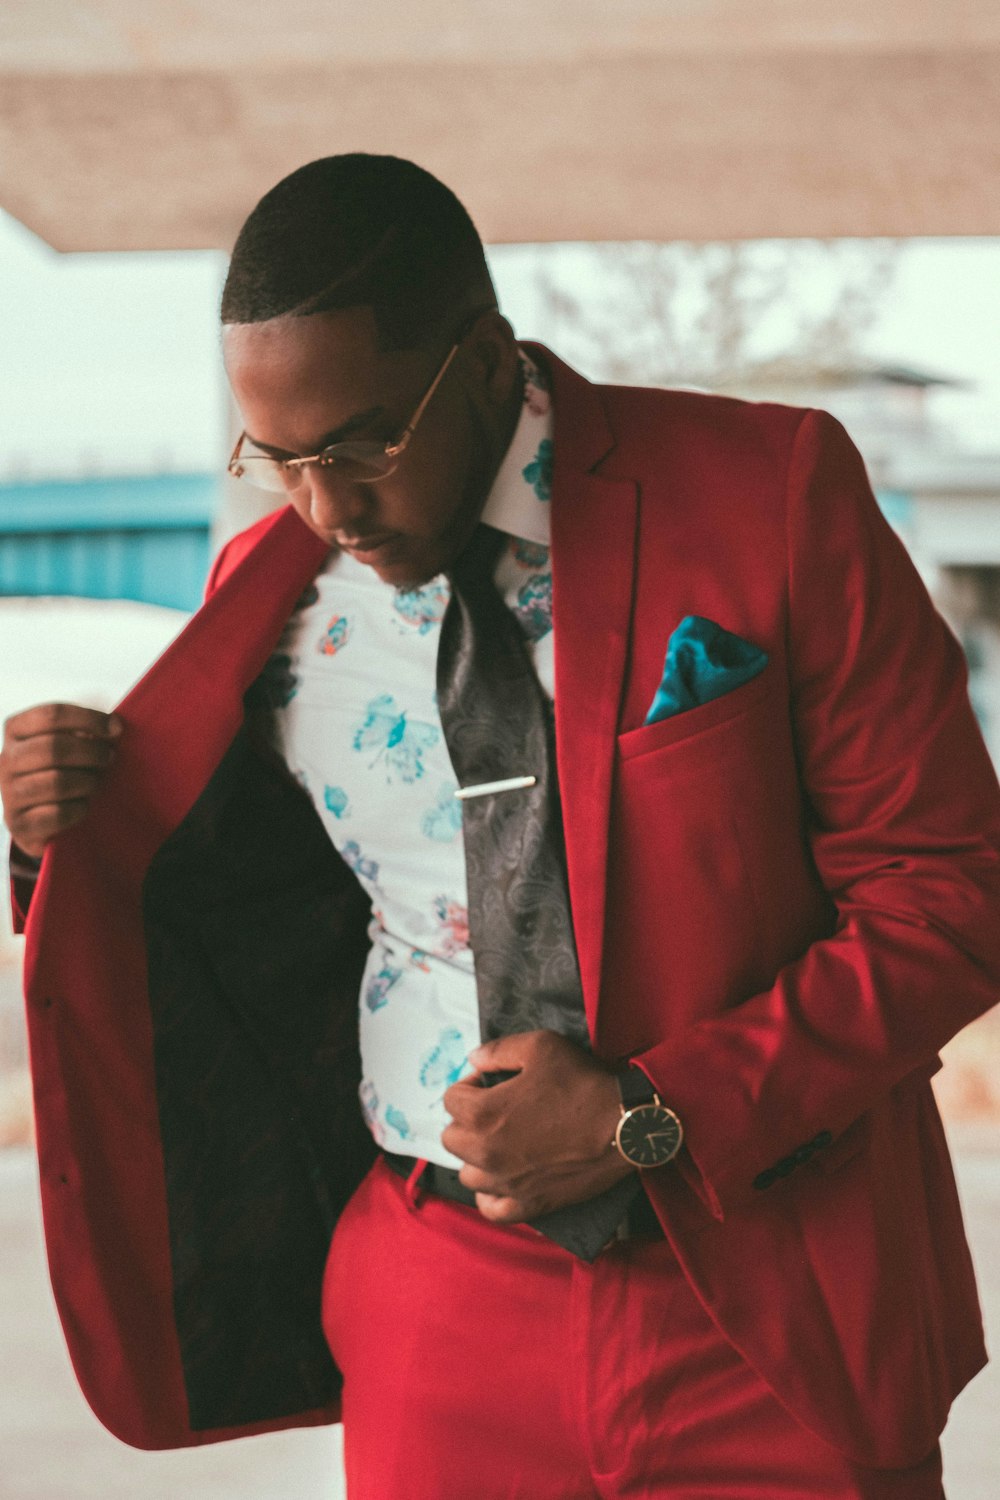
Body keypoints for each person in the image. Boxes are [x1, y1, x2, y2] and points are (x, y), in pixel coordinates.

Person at [3, 154, 1000, 1500]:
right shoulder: (272, 588)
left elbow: (950, 891)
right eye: (279, 458)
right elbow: (224, 908)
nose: (325, 507)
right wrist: (50, 837)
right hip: (440, 1298)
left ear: (479, 364)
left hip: (770, 1294)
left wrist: (658, 1118)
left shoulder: (767, 489)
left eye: (358, 445)